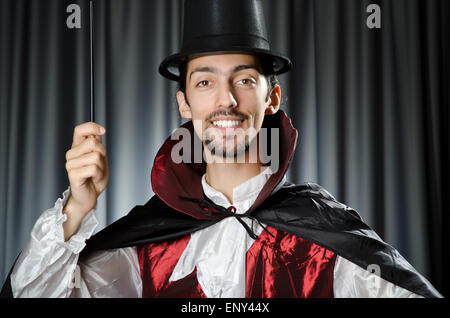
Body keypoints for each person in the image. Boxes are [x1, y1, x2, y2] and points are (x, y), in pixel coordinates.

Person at [0, 0, 442, 298]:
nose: (226, 100)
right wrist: (76, 209)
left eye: (245, 80)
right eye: (205, 82)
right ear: (184, 102)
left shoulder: (327, 237)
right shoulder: (143, 249)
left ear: (272, 98)